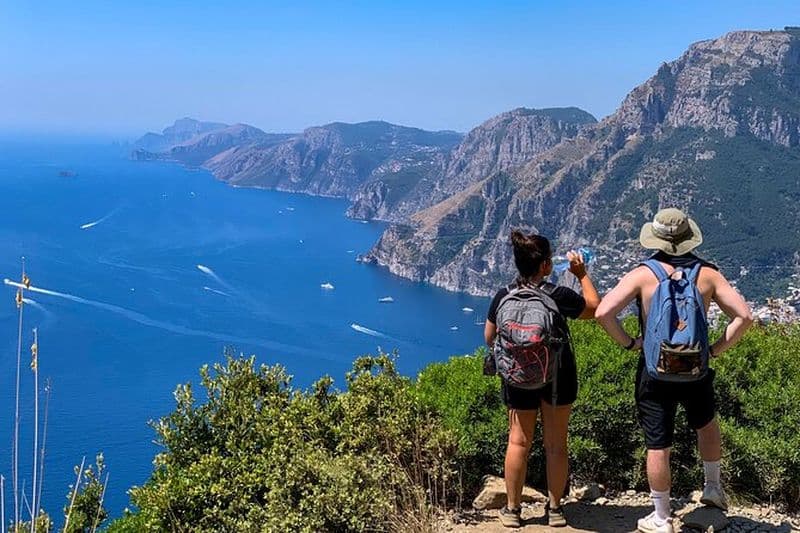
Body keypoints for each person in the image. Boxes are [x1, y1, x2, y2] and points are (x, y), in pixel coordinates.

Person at [595, 208, 753, 533]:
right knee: (706, 425)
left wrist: (631, 343)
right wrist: (713, 350)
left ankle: (661, 517)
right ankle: (712, 488)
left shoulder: (643, 275)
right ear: (688, 237)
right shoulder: (707, 274)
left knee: (658, 444)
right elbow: (745, 317)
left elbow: (603, 313)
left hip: (655, 370)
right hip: (696, 369)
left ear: (655, 239)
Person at [485, 230, 600, 528]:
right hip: (558, 377)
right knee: (556, 444)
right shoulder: (558, 295)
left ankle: (512, 510)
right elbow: (594, 307)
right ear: (546, 265)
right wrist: (581, 274)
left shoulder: (503, 295)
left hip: (517, 377)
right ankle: (556, 510)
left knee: (518, 442)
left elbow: (489, 336)